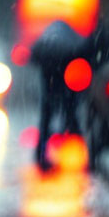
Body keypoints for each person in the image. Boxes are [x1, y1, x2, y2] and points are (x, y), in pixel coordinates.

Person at [29, 20, 85, 170]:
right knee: (69, 114)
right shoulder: (70, 40)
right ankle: (85, 154)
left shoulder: (46, 40)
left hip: (50, 83)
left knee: (47, 116)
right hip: (63, 82)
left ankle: (41, 154)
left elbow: (33, 58)